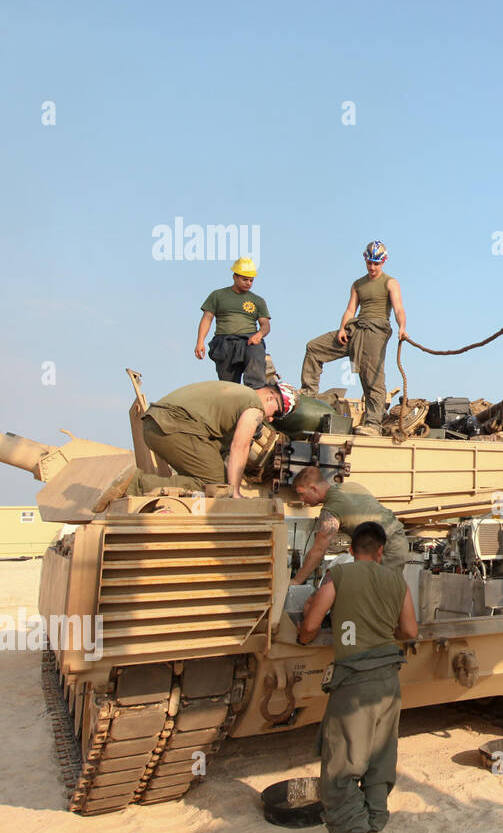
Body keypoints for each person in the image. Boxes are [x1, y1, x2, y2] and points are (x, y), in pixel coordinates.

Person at [297, 521, 417, 833]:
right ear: (380, 552)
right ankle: (373, 827)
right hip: (389, 682)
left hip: (354, 683)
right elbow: (409, 630)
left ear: (351, 550)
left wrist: (306, 636)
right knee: (380, 760)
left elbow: (309, 625)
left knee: (342, 762)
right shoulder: (397, 581)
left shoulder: (340, 576)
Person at [94, 380, 296, 510]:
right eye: (275, 413)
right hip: (174, 426)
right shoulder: (254, 407)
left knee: (204, 478)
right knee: (215, 486)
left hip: (154, 423)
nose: (269, 418)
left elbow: (218, 447)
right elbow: (240, 447)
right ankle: (134, 484)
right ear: (271, 396)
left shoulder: (237, 393)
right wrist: (233, 491)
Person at [299, 241, 407, 434]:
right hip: (354, 329)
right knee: (314, 348)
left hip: (375, 331)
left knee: (372, 377)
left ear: (383, 262)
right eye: (369, 263)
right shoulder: (358, 284)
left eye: (376, 263)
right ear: (365, 261)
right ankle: (308, 394)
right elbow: (350, 309)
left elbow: (398, 307)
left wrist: (402, 327)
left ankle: (373, 424)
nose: (372, 267)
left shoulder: (390, 282)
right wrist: (342, 328)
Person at [289, 467, 410, 584]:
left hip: (387, 547)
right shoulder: (351, 486)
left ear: (314, 488)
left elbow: (318, 551)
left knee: (382, 598)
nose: (302, 500)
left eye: (302, 494)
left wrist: (296, 581)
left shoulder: (331, 509)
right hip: (396, 538)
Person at [196, 258, 272, 388]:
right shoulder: (218, 295)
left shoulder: (257, 300)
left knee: (256, 358)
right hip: (225, 342)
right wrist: (200, 342)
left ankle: (255, 395)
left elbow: (265, 324)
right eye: (245, 279)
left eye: (251, 280)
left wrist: (259, 335)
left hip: (249, 340)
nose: (248, 283)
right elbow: (207, 318)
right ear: (235, 277)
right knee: (228, 386)